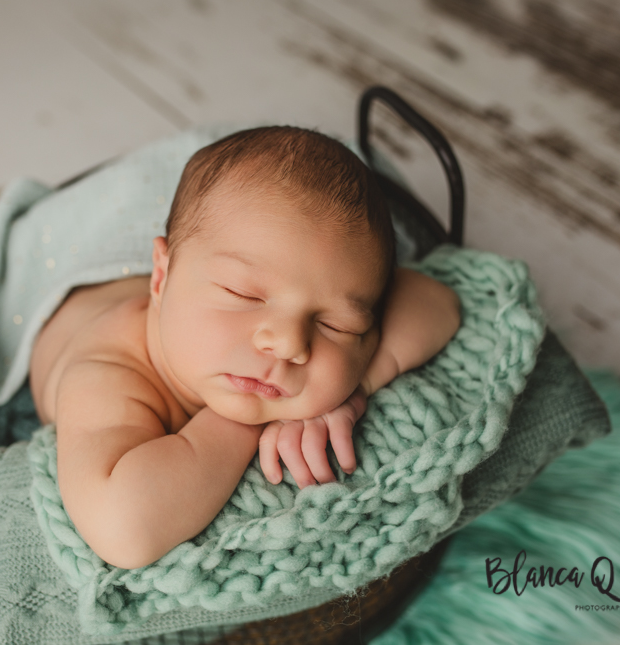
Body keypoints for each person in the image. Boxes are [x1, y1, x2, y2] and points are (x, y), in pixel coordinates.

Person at [28, 126, 460, 570]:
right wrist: (248, 422)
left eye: (335, 325)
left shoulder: (241, 302)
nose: (289, 343)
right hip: (78, 299)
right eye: (244, 295)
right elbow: (124, 530)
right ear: (160, 279)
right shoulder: (106, 373)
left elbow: (438, 301)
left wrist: (353, 387)